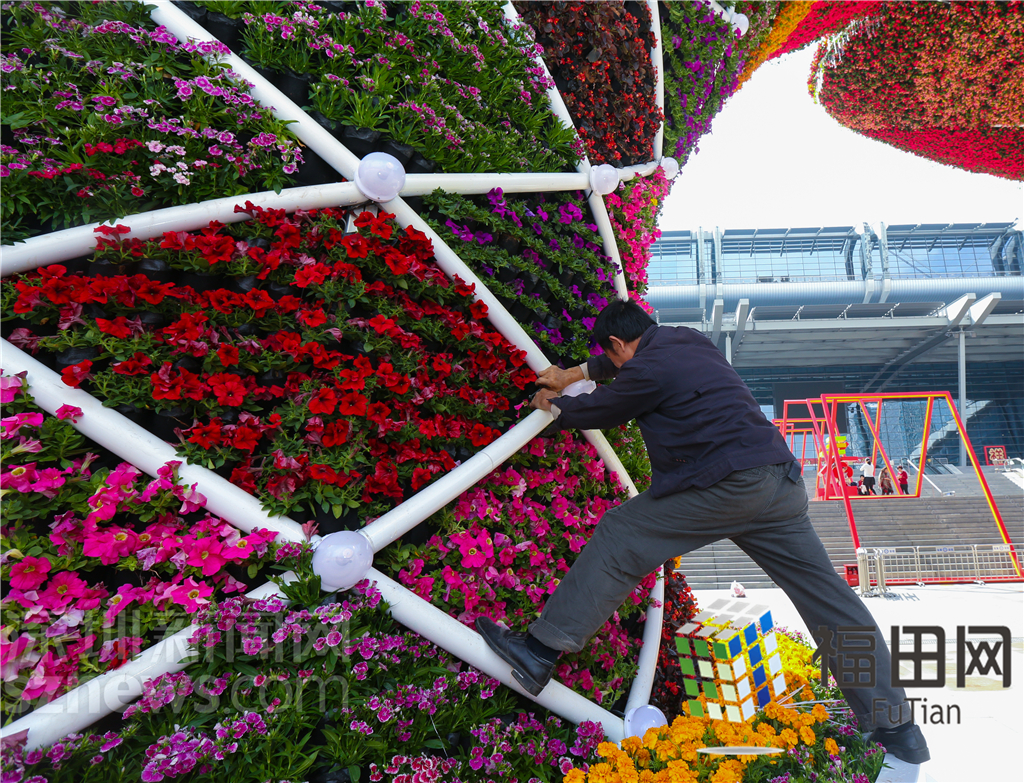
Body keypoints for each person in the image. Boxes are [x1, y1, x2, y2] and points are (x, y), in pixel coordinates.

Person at [475, 300, 929, 764]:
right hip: (780, 484)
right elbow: (618, 367)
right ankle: (898, 728)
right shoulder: (687, 339)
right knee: (830, 600)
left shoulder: (646, 369)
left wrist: (552, 404)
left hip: (727, 486)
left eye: (611, 354)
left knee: (621, 533)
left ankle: (538, 651)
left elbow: (605, 407)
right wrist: (575, 372)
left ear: (616, 342)